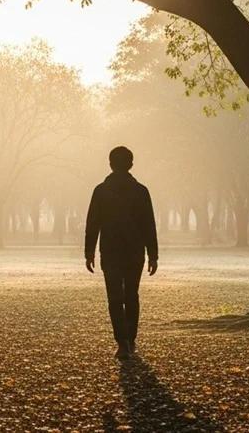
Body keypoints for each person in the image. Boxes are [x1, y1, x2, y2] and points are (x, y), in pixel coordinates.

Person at [85, 146, 158, 359]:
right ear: (131, 165)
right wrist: (153, 255)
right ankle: (131, 339)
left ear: (110, 164)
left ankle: (122, 342)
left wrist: (89, 252)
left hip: (110, 252)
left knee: (115, 298)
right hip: (135, 252)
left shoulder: (101, 191)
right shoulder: (141, 191)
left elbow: (93, 224)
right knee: (132, 295)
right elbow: (149, 225)